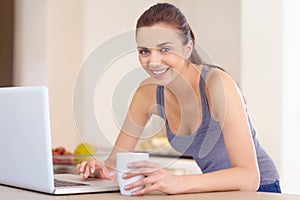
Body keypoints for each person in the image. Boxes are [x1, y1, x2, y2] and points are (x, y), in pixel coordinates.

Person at [76, 3, 280, 195]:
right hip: (217, 193)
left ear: (187, 48)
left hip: (261, 190)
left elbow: (249, 176)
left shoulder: (217, 85)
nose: (153, 62)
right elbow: (114, 165)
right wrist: (103, 170)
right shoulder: (147, 93)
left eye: (165, 49)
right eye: (144, 51)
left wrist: (177, 182)